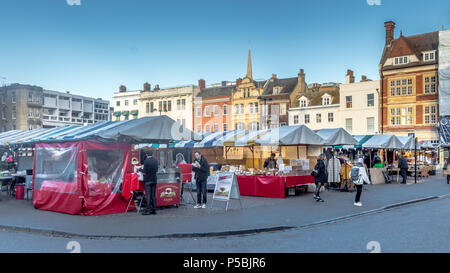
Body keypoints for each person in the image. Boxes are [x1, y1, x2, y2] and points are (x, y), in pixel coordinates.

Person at [139, 151, 159, 215]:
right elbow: (157, 170)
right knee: (153, 195)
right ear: (152, 154)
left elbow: (144, 171)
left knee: (148, 195)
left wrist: (139, 169)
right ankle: (154, 210)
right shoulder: (156, 161)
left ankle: (148, 210)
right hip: (154, 180)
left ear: (147, 154)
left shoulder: (146, 161)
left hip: (147, 180)